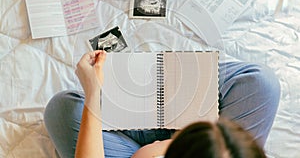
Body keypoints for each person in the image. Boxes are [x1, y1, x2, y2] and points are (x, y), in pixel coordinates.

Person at [44, 50, 280, 158]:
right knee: (260, 84)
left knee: (63, 109)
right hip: (180, 139)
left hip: (139, 150)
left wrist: (94, 93)